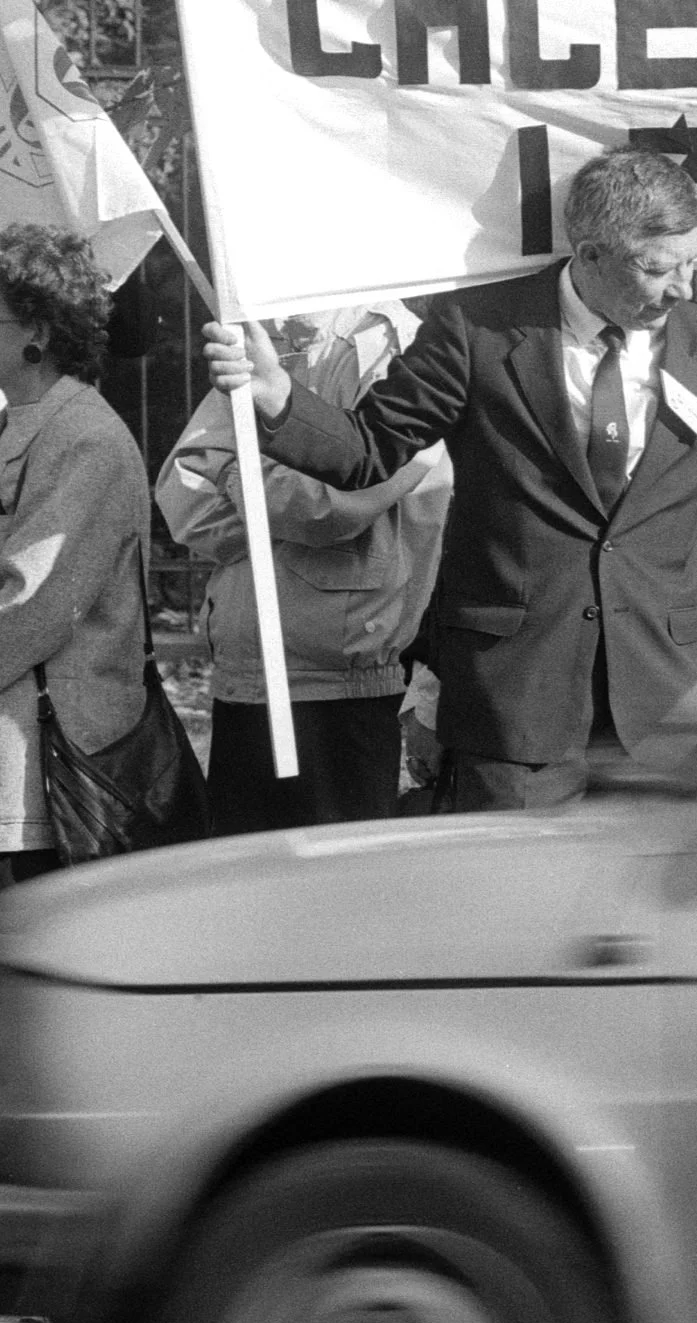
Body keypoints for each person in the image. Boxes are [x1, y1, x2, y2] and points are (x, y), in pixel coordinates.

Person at [203, 147, 697, 810]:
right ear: (592, 254)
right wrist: (281, 400)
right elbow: (372, 448)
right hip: (516, 706)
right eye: (659, 269)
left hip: (658, 705)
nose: (684, 287)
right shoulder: (476, 326)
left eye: (694, 261)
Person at [157, 299, 452, 832]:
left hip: (341, 689)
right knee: (246, 899)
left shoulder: (398, 347)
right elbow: (183, 499)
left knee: (336, 899)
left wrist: (234, 472)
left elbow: (331, 508)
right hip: (245, 682)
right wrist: (264, 499)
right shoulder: (265, 339)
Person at [0, 225, 150, 883]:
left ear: (33, 328)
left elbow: (32, 604)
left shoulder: (86, 438)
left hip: (51, 774)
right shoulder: (26, 424)